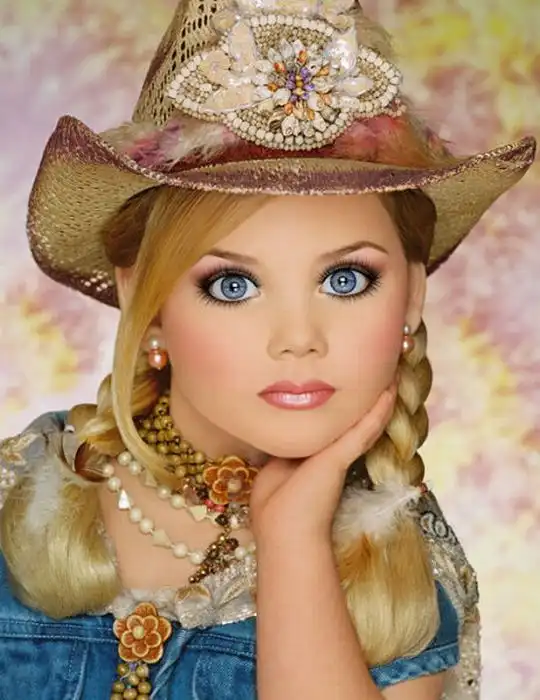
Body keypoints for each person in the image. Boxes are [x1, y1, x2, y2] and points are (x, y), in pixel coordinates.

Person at [0, 1, 535, 698]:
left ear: (411, 296)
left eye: (346, 280)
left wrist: (293, 540)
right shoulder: (18, 498)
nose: (298, 339)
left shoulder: (400, 574)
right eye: (233, 285)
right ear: (145, 304)